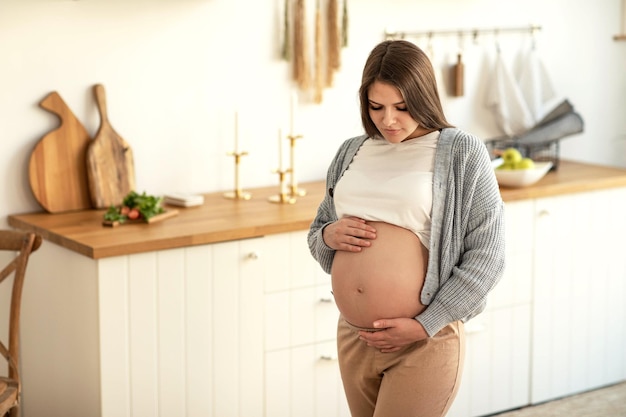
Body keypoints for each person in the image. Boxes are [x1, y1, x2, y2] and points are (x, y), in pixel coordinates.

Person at [307, 39, 505, 417]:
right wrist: (328, 236)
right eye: (376, 106)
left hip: (423, 340)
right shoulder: (352, 151)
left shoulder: (461, 152)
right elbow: (319, 231)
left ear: (423, 98)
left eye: (401, 106)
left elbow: (488, 256)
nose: (388, 120)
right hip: (354, 337)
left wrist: (425, 324)